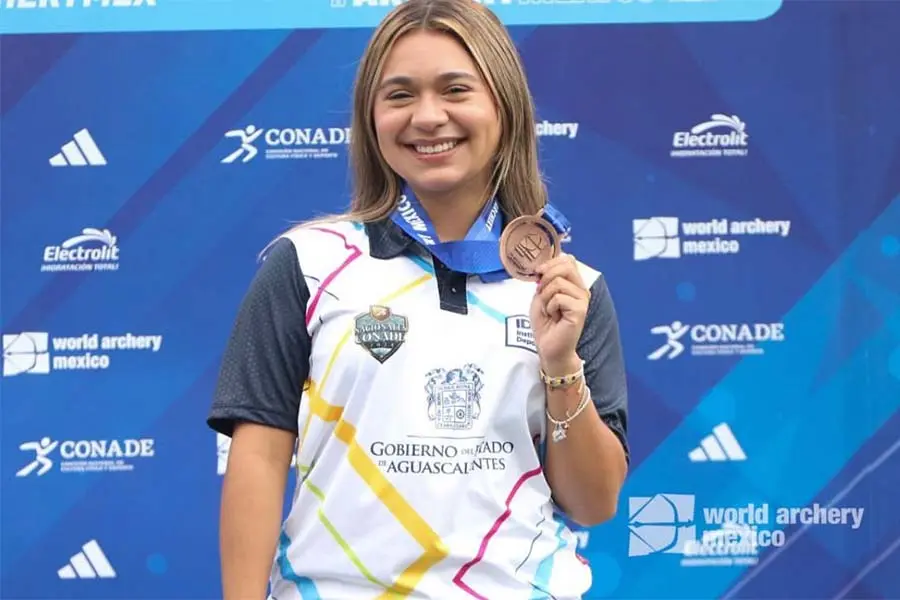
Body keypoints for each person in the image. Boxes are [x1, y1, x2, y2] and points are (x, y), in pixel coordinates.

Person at [206, 1, 629, 598]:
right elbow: (258, 460)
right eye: (399, 95)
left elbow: (592, 503)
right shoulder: (307, 263)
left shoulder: (570, 289)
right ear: (371, 118)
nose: (428, 117)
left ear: (503, 107)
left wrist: (561, 365)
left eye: (456, 89)